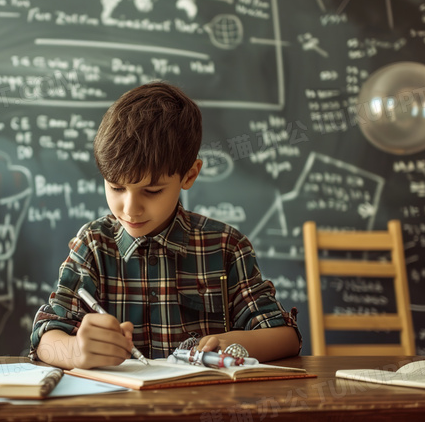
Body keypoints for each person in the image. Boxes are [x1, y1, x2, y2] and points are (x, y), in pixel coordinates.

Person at [29, 81, 301, 370]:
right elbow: (44, 340)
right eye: (116, 187)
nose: (130, 208)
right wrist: (76, 351)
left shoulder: (226, 247)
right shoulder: (93, 245)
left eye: (152, 190)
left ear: (189, 175)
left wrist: (230, 343)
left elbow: (287, 338)